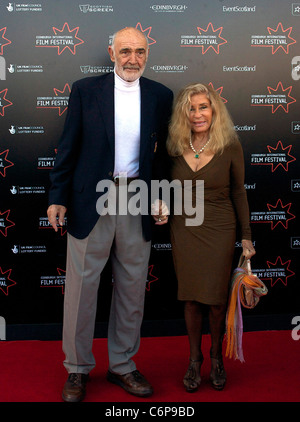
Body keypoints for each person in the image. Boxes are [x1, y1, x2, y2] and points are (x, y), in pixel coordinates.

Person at [47, 27, 173, 402]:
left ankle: (122, 365)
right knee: (82, 289)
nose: (132, 58)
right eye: (125, 51)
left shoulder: (160, 95)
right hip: (92, 199)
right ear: (111, 53)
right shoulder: (86, 90)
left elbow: (163, 156)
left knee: (132, 288)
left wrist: (161, 198)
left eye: (139, 51)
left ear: (147, 54)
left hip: (137, 197)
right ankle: (77, 369)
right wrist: (58, 196)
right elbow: (67, 146)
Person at [166, 83, 255, 392]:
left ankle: (217, 357)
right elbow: (165, 187)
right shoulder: (174, 144)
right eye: (191, 108)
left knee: (216, 300)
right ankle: (195, 360)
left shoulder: (229, 144)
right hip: (184, 227)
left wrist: (246, 236)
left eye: (203, 107)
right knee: (190, 297)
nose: (197, 114)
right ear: (184, 114)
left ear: (214, 110)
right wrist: (161, 205)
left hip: (219, 226)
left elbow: (238, 191)